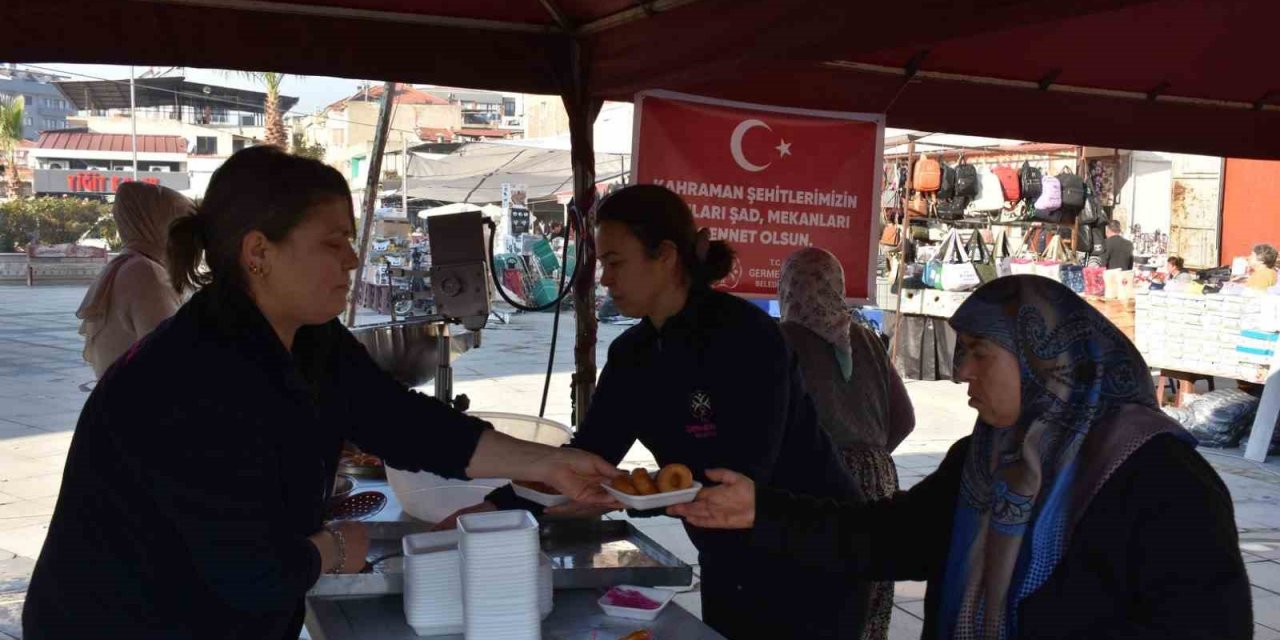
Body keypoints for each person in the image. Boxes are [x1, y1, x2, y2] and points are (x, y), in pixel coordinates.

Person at [24, 147, 619, 640]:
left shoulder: (309, 337)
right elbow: (248, 573)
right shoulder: (193, 377)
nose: (354, 259)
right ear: (259, 253)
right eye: (334, 242)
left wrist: (550, 463)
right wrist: (335, 547)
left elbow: (402, 423)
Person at [672, 275, 1253, 640]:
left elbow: (1204, 625)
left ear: (1043, 358)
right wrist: (760, 511)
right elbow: (888, 537)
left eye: (977, 353)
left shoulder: (1159, 477)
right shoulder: (983, 457)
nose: (959, 373)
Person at [442, 185, 866, 638]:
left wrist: (625, 497)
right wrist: (491, 508)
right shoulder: (634, 355)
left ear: (664, 256)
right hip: (726, 556)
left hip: (809, 553)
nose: (604, 278)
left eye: (615, 262)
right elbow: (589, 452)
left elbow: (741, 474)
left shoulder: (747, 337)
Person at [776, 247, 915, 640]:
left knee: (814, 598)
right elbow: (905, 418)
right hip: (877, 482)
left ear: (789, 287)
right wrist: (869, 454)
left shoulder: (782, 339)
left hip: (816, 482)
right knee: (869, 595)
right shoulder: (866, 337)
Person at [75, 182, 195, 377]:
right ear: (159, 222)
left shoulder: (124, 265)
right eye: (179, 223)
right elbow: (170, 359)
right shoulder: (147, 274)